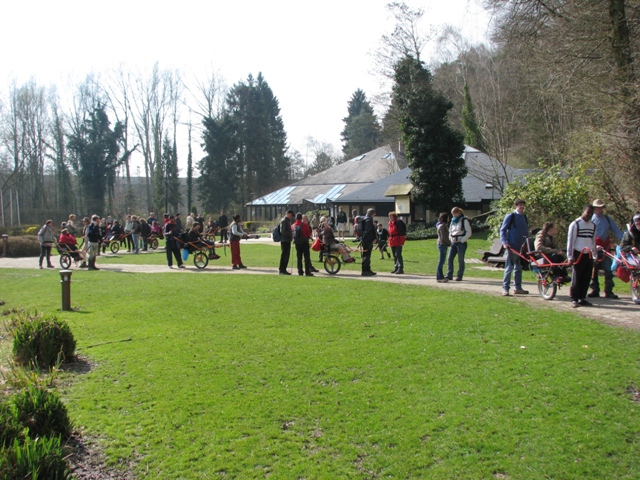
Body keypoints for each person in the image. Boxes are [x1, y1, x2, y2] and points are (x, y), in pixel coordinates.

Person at [589, 199, 625, 299]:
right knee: (593, 270)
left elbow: (617, 231)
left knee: (608, 269)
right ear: (594, 208)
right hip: (594, 248)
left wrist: (624, 241)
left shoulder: (607, 219)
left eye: (600, 207)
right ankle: (594, 290)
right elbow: (587, 236)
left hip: (605, 248)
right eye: (597, 207)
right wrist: (594, 246)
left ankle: (608, 291)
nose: (599, 209)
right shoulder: (590, 220)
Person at [567, 204, 597, 308]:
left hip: (588, 253)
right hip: (578, 252)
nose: (589, 215)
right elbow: (571, 242)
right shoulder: (576, 224)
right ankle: (574, 298)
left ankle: (582, 298)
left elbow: (593, 242)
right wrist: (570, 257)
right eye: (588, 212)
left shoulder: (593, 225)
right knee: (577, 276)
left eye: (591, 213)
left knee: (586, 276)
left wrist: (595, 255)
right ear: (583, 211)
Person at [500, 199, 529, 296]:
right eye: (520, 205)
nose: (521, 207)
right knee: (509, 267)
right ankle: (505, 288)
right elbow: (503, 230)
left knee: (519, 268)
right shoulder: (511, 216)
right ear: (515, 206)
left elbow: (525, 231)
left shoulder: (524, 217)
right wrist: (505, 242)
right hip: (512, 246)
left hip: (521, 247)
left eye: (523, 205)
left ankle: (518, 287)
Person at [447, 207, 472, 281]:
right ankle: (449, 274)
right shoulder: (453, 221)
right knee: (449, 258)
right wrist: (450, 239)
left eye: (454, 213)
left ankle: (459, 275)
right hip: (453, 242)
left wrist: (462, 240)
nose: (453, 215)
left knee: (460, 259)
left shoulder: (464, 220)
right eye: (452, 214)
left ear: (458, 213)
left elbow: (469, 232)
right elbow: (450, 231)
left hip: (461, 242)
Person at [361, 208, 377, 276]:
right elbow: (368, 231)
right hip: (367, 240)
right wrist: (372, 239)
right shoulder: (369, 220)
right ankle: (365, 270)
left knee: (366, 255)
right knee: (367, 256)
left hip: (365, 240)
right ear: (372, 214)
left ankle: (368, 269)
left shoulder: (364, 218)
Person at [436, 212, 451, 282]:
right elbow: (444, 237)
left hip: (442, 244)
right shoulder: (442, 226)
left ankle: (440, 276)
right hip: (442, 244)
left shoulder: (443, 225)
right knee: (441, 261)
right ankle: (439, 276)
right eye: (447, 217)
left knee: (442, 260)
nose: (448, 219)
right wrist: (449, 243)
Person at [279, 210, 295, 275]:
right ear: (287, 214)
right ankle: (282, 269)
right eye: (291, 215)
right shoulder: (284, 221)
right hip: (284, 240)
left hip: (287, 240)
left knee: (287, 255)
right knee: (284, 255)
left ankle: (284, 269)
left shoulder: (288, 221)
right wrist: (290, 234)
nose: (291, 217)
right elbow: (283, 231)